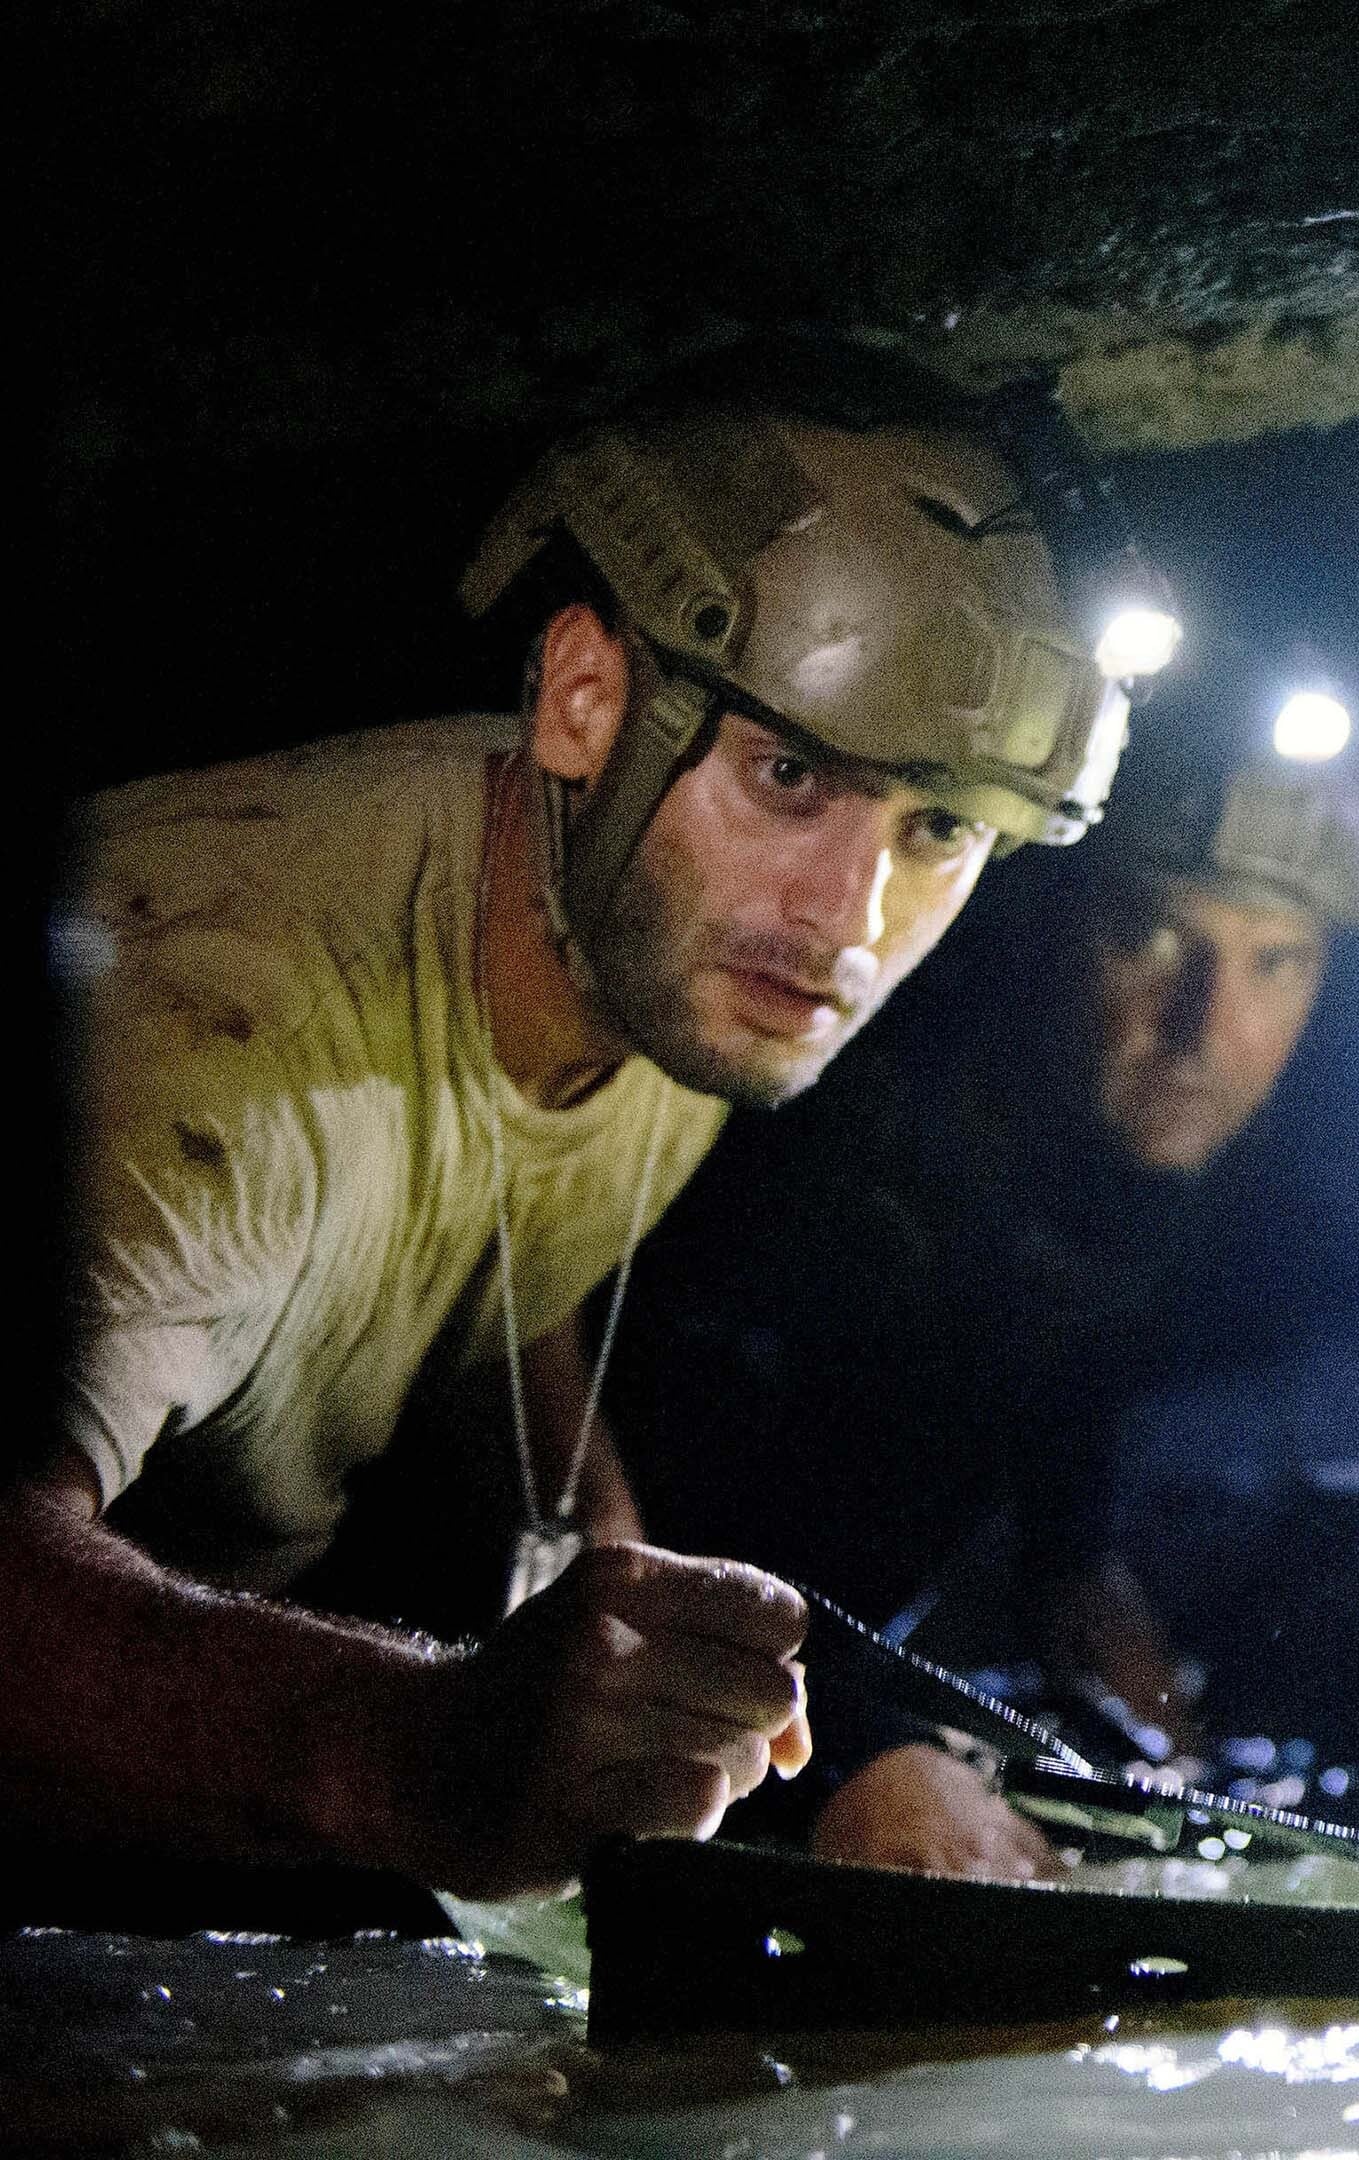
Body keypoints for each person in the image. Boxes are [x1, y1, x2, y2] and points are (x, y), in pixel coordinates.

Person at [8, 343, 1147, 1927]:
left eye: (938, 825)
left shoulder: (667, 954)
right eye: (790, 773)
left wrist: (685, 1662)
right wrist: (417, 1751)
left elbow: (503, 1246)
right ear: (585, 701)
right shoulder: (214, 1032)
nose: (848, 919)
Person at [609, 697, 1359, 1880]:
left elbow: (1066, 1537)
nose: (1203, 1030)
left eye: (1275, 962)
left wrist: (1166, 1742)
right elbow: (626, 1544)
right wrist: (865, 1755)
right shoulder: (839, 1144)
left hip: (798, 1695)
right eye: (1153, 939)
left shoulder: (1157, 1193)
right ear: (1053, 925)